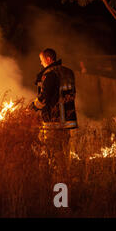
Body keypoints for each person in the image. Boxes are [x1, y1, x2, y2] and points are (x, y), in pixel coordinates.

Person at [29, 48, 78, 181]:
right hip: (67, 120)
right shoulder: (68, 72)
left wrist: (33, 107)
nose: (41, 64)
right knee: (64, 151)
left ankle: (57, 179)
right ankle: (65, 176)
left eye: (42, 60)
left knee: (54, 151)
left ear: (49, 59)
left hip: (53, 121)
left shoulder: (50, 74)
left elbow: (44, 97)